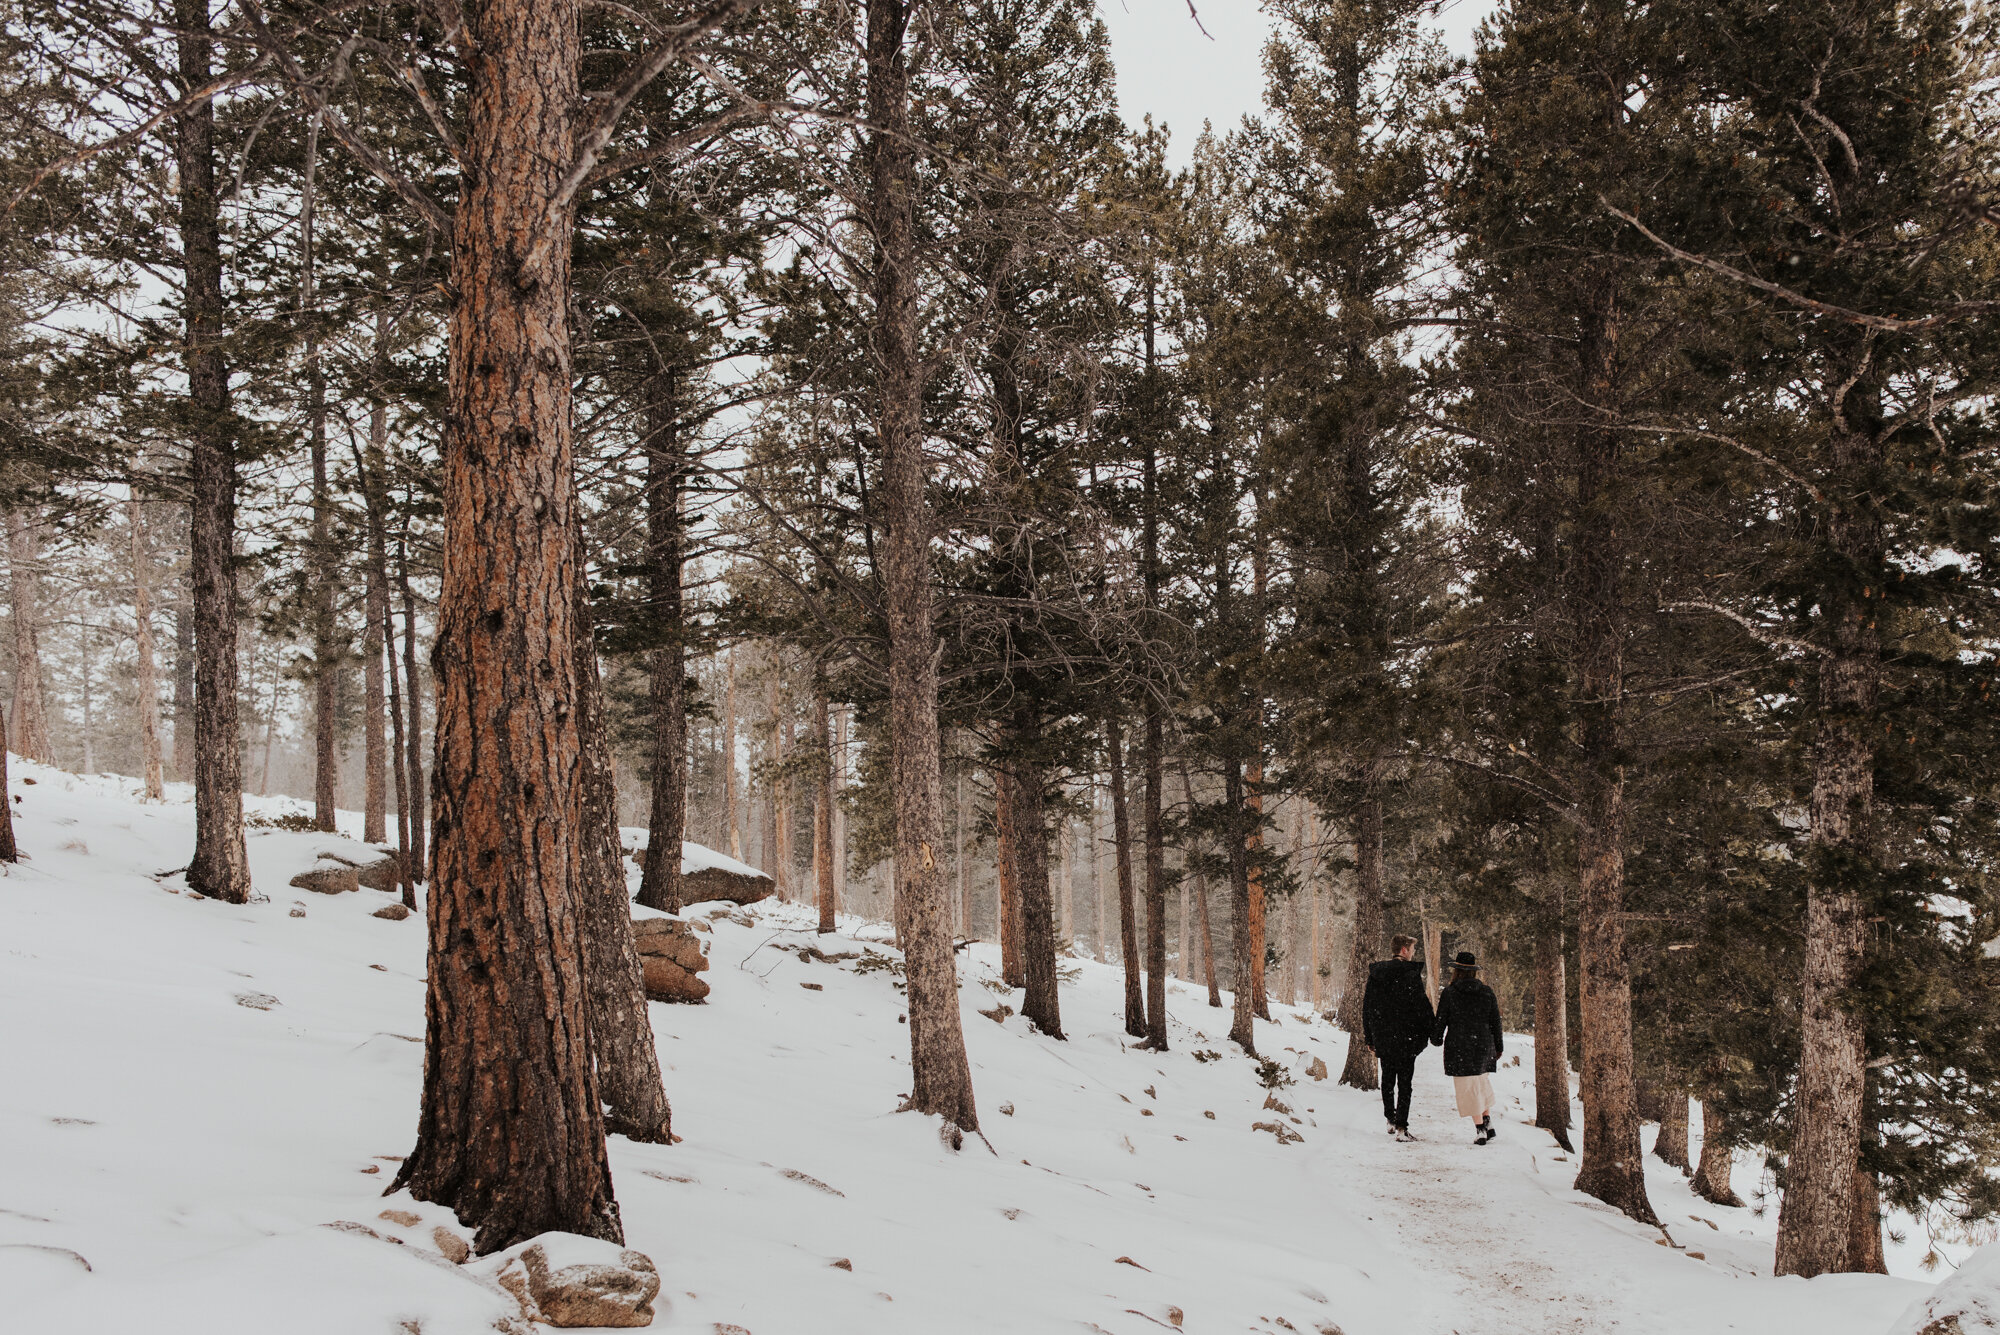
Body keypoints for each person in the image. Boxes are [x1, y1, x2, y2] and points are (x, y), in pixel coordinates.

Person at [1361, 933, 1435, 1141]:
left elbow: (1368, 1007)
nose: (1413, 953)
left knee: (1387, 1078)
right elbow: (1422, 1006)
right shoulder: (1410, 974)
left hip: (1384, 1035)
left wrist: (1370, 1037)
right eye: (1411, 949)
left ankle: (1390, 1119)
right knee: (1405, 1082)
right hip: (1406, 1037)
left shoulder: (1377, 974)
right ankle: (1402, 1126)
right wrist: (1432, 1030)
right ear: (1404, 950)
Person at [1432, 950, 1504, 1145]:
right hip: (1483, 1044)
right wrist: (1498, 1046)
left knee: (1468, 1088)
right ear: (1474, 972)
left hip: (1459, 1046)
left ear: (1456, 970)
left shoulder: (1450, 992)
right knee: (1481, 1084)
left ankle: (1480, 1129)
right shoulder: (1487, 991)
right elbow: (1495, 1021)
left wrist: (1436, 1038)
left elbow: (1441, 1019)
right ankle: (1487, 1123)